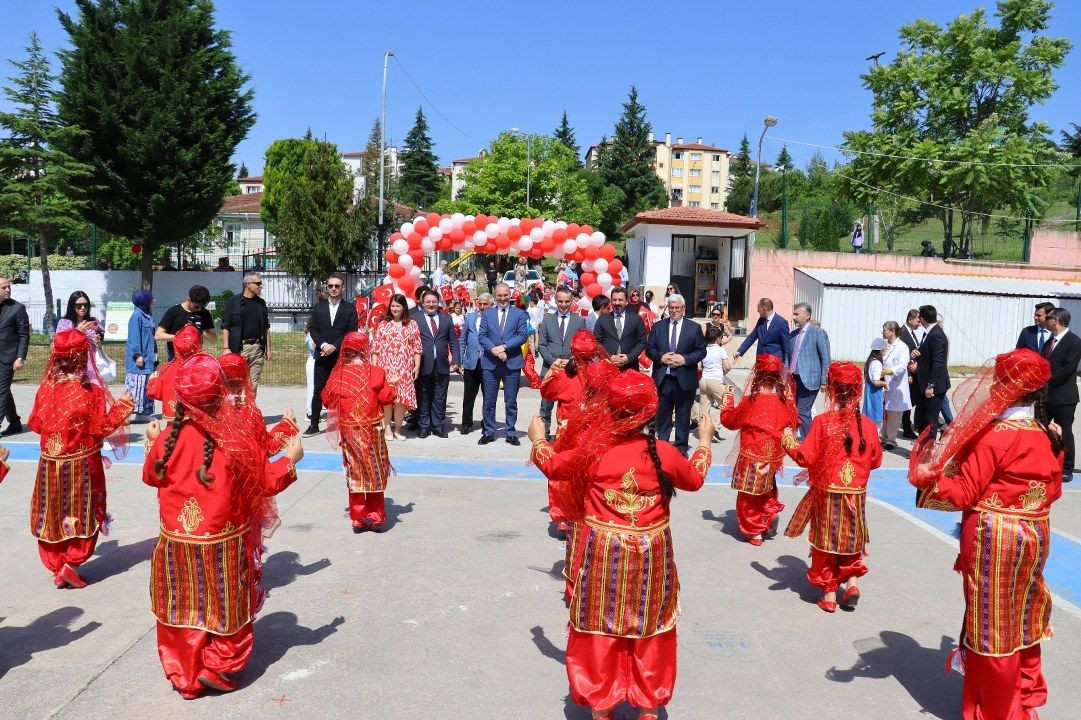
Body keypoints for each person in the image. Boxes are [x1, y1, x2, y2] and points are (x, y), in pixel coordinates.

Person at [527, 371, 713, 720]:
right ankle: (648, 707)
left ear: (608, 410)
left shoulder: (593, 453)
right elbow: (696, 478)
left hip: (605, 552)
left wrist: (538, 439)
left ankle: (602, 708)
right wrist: (704, 442)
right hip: (651, 553)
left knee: (602, 625)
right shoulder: (664, 452)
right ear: (650, 412)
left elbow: (552, 465)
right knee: (650, 626)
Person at [908, 349, 1062, 720]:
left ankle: (999, 710)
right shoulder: (1046, 433)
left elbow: (964, 493)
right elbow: (1052, 492)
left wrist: (928, 477)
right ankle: (1025, 697)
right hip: (1035, 535)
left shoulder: (995, 434)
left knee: (993, 622)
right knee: (1024, 614)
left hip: (994, 537)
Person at [143, 353, 303, 699]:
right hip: (223, 543)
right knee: (226, 605)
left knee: (182, 606)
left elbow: (149, 476)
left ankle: (184, 675)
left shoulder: (166, 440)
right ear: (222, 394)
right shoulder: (234, 441)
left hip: (176, 542)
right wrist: (290, 460)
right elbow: (264, 481)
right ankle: (218, 665)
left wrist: (150, 441)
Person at [29, 329, 134, 588]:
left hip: (50, 465)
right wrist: (123, 407)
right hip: (82, 466)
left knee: (53, 512)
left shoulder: (46, 388)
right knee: (83, 512)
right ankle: (71, 564)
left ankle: (57, 566)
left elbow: (35, 423)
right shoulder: (90, 391)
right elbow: (102, 427)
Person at [783, 362, 883, 613]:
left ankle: (829, 595)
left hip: (828, 494)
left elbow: (805, 457)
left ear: (831, 390)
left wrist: (787, 439)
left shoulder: (823, 422)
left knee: (826, 543)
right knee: (851, 541)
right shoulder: (868, 425)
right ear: (858, 391)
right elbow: (877, 460)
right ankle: (851, 583)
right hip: (856, 494)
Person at [720, 354, 800, 545]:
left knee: (748, 494)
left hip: (751, 454)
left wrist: (728, 400)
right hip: (772, 455)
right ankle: (767, 516)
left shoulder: (751, 401)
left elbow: (729, 421)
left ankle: (754, 531)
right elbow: (795, 421)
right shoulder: (784, 400)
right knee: (767, 488)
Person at [321, 332, 397, 532]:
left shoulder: (338, 374)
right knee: (375, 472)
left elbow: (326, 399)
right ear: (366, 349)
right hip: (372, 431)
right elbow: (386, 398)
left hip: (350, 432)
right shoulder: (376, 372)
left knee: (355, 474)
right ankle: (376, 514)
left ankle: (358, 516)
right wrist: (394, 386)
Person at [647, 293, 707, 456]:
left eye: (677, 308)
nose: (674, 311)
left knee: (683, 417)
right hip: (663, 379)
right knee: (663, 417)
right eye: (671, 308)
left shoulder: (693, 328)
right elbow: (649, 349)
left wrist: (684, 359)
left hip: (684, 380)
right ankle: (662, 447)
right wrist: (661, 357)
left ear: (683, 309)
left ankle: (681, 449)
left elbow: (701, 351)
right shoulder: (658, 327)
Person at [303, 274, 359, 437]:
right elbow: (313, 329)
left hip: (341, 357)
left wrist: (334, 347)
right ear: (327, 288)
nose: (333, 289)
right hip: (322, 355)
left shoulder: (349, 308)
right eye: (330, 286)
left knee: (343, 391)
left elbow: (351, 332)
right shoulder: (318, 308)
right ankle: (314, 424)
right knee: (318, 390)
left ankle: (345, 423)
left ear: (343, 288)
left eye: (336, 286)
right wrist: (323, 345)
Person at [218, 353, 298, 457]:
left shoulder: (207, 410)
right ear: (244, 377)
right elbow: (266, 448)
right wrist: (287, 424)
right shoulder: (249, 412)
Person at [478, 283, 529, 445]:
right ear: (495, 295)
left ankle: (510, 432)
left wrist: (505, 347)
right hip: (491, 363)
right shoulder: (487, 314)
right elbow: (482, 336)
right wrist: (495, 350)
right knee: (489, 401)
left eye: (505, 295)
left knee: (511, 401)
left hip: (512, 363)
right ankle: (489, 432)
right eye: (499, 295)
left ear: (510, 295)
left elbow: (522, 336)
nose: (502, 298)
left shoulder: (520, 314)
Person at [537, 288, 586, 440]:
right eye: (560, 301)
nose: (563, 305)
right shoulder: (547, 320)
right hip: (551, 369)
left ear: (572, 301)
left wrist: (571, 360)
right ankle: (543, 438)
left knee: (570, 408)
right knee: (546, 407)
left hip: (570, 371)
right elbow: (542, 345)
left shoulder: (579, 321)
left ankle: (565, 438)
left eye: (567, 301)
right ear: (555, 301)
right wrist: (553, 361)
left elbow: (582, 345)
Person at [371, 294, 422, 441]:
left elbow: (417, 347)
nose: (395, 309)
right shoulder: (383, 324)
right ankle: (387, 427)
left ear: (404, 307)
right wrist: (374, 367)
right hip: (385, 367)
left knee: (401, 400)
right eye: (393, 306)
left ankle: (398, 429)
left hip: (404, 368)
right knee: (387, 398)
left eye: (398, 306)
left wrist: (416, 365)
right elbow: (376, 347)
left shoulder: (411, 324)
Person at [413, 289, 461, 438]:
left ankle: (438, 425)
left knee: (440, 396)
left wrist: (456, 360)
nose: (431, 304)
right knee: (423, 395)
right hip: (423, 364)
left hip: (442, 363)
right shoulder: (415, 318)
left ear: (438, 302)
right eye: (428, 301)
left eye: (434, 301)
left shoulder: (446, 318)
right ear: (422, 302)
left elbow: (453, 340)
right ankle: (424, 425)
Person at [1042, 307, 1081, 483]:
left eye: (1048, 318)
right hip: (1045, 396)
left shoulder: (1074, 342)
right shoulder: (1048, 342)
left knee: (1064, 431)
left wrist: (1046, 382)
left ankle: (1066, 468)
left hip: (1064, 396)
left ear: (1056, 320)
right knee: (1044, 430)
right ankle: (1046, 463)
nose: (1045, 321)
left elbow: (1067, 369)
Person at [787, 303, 831, 439]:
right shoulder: (793, 335)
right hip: (793, 378)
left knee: (803, 410)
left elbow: (825, 358)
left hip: (810, 380)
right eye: (794, 314)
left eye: (797, 314)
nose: (794, 317)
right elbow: (789, 356)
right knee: (794, 409)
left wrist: (824, 381)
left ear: (807, 316)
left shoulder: (818, 332)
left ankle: (809, 441)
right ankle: (797, 437)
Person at [221, 273, 271, 393]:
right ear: (247, 284)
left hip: (257, 348)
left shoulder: (261, 303)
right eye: (257, 283)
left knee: (252, 386)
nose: (260, 286)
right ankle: (236, 411)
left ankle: (250, 411)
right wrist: (226, 348)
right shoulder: (233, 302)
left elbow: (266, 327)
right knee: (236, 385)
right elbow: (225, 326)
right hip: (239, 348)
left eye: (261, 283)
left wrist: (268, 349)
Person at [147, 324, 203, 425]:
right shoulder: (203, 368)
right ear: (198, 344)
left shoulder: (167, 368)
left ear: (175, 345)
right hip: (196, 424)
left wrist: (151, 381)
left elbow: (155, 392)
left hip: (172, 423)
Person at [912, 305, 950, 439]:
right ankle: (922, 450)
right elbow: (928, 356)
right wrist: (916, 354)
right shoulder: (929, 333)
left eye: (919, 318)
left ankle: (928, 454)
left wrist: (930, 385)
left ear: (922, 319)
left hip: (934, 387)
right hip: (925, 383)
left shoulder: (936, 335)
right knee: (923, 420)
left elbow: (938, 363)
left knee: (930, 421)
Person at [0, 277, 30, 436]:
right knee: (4, 391)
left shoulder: (17, 308)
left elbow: (24, 335)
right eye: (4, 288)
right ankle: (15, 422)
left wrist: (20, 357)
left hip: (9, 357)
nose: (7, 290)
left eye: (8, 287)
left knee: (1, 391)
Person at [459, 294, 492, 434]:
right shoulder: (471, 317)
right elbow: (463, 340)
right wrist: (460, 360)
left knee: (488, 396)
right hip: (471, 362)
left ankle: (487, 423)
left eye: (486, 304)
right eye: (481, 304)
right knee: (468, 396)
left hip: (488, 363)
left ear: (491, 305)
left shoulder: (494, 319)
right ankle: (466, 423)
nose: (483, 307)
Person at [594, 287, 648, 372]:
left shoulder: (636, 319)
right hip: (608, 367)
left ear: (626, 301)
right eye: (614, 300)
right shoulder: (602, 319)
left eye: (620, 300)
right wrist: (609, 356)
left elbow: (642, 341)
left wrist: (629, 357)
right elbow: (596, 342)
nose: (617, 303)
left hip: (630, 367)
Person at [156, 285, 216, 360]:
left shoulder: (205, 313)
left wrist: (200, 330)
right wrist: (179, 337)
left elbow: (213, 340)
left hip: (195, 359)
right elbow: (158, 336)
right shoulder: (174, 311)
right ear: (189, 299)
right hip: (175, 358)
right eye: (196, 306)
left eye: (202, 306)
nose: (199, 309)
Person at [56, 291, 104, 379]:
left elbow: (100, 344)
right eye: (79, 305)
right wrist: (78, 332)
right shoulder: (65, 323)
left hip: (91, 366)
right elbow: (60, 345)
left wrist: (98, 343)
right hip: (70, 367)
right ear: (72, 306)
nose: (83, 308)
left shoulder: (94, 322)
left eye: (85, 305)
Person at [879, 321, 911, 450]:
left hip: (896, 385)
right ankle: (882, 437)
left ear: (892, 331)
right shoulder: (885, 345)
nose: (883, 332)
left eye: (885, 330)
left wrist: (888, 371)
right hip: (884, 383)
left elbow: (902, 365)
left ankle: (891, 440)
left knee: (894, 414)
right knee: (884, 411)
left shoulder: (902, 347)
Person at [125, 289, 157, 419]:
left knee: (145, 386)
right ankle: (124, 415)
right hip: (139, 359)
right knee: (136, 387)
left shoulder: (148, 315)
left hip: (148, 358)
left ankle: (142, 413)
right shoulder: (137, 316)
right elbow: (134, 337)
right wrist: (137, 355)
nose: (154, 300)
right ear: (145, 301)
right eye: (151, 298)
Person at [733, 298, 791, 365]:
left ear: (764, 308)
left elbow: (786, 345)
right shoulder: (761, 320)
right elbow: (752, 337)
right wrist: (739, 351)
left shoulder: (781, 322)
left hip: (775, 363)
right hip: (761, 360)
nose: (757, 311)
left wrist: (786, 365)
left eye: (758, 308)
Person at [697, 325, 731, 422]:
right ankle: (716, 427)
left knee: (704, 410)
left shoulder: (703, 350)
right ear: (718, 339)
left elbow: (699, 367)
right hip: (716, 381)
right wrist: (724, 371)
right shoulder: (721, 350)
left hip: (704, 381)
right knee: (727, 404)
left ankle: (703, 431)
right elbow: (727, 366)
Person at [897, 309, 921, 440]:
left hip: (914, 372)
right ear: (910, 319)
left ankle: (908, 425)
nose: (919, 323)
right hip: (907, 373)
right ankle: (906, 427)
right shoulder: (903, 333)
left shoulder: (911, 333)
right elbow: (902, 356)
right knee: (908, 400)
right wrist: (907, 374)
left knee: (911, 399)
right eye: (918, 320)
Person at [862, 338, 887, 431]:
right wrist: (885, 383)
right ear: (881, 350)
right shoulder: (877, 363)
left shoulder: (871, 361)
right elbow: (876, 382)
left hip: (869, 392)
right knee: (875, 422)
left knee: (868, 418)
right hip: (875, 394)